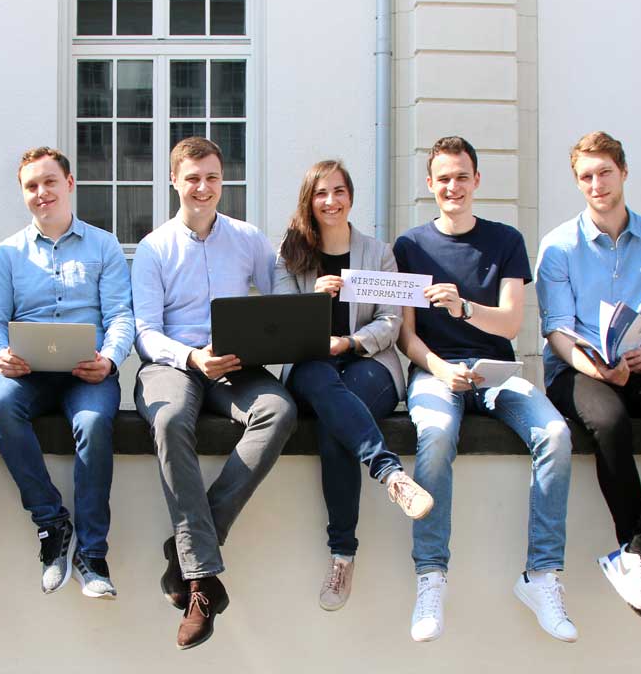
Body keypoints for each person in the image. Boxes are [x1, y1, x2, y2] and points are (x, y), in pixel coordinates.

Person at [395, 136, 576, 643]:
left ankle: (542, 575)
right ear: (430, 184)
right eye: (443, 178)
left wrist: (464, 308)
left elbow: (512, 322)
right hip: (435, 372)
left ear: (476, 180)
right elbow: (406, 335)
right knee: (435, 435)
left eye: (461, 176)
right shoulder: (410, 246)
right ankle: (431, 577)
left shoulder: (506, 240)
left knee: (556, 435)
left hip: (498, 371)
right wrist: (438, 367)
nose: (453, 186)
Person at [131, 136, 296, 650]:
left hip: (235, 364)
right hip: (173, 364)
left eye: (212, 178)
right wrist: (191, 357)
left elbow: (281, 299)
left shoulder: (249, 239)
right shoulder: (154, 247)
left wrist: (262, 337)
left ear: (223, 181)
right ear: (174, 181)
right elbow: (144, 332)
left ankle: (187, 548)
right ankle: (202, 582)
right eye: (193, 179)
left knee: (278, 410)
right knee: (168, 420)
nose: (203, 188)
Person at [535, 130, 641, 618]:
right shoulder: (559, 245)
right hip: (577, 368)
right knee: (609, 422)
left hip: (638, 361)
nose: (597, 184)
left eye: (605, 172)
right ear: (577, 182)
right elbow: (557, 332)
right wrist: (600, 370)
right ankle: (635, 550)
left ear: (624, 172)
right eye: (586, 176)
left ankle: (637, 553)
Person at [0, 146, 134, 599]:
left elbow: (121, 315)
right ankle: (51, 524)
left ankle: (93, 555)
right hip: (29, 372)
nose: (41, 192)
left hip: (89, 372)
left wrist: (109, 358)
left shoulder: (103, 245)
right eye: (31, 186)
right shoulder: (8, 253)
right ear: (23, 193)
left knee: (94, 423)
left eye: (49, 182)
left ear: (69, 184)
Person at [273, 159, 432, 613]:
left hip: (368, 362)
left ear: (351, 196)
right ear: (309, 200)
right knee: (324, 388)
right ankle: (390, 473)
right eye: (321, 193)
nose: (331, 201)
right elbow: (279, 321)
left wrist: (349, 341)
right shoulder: (290, 253)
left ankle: (342, 555)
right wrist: (313, 301)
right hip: (311, 363)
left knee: (335, 424)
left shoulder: (378, 253)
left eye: (339, 191)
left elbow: (391, 320)